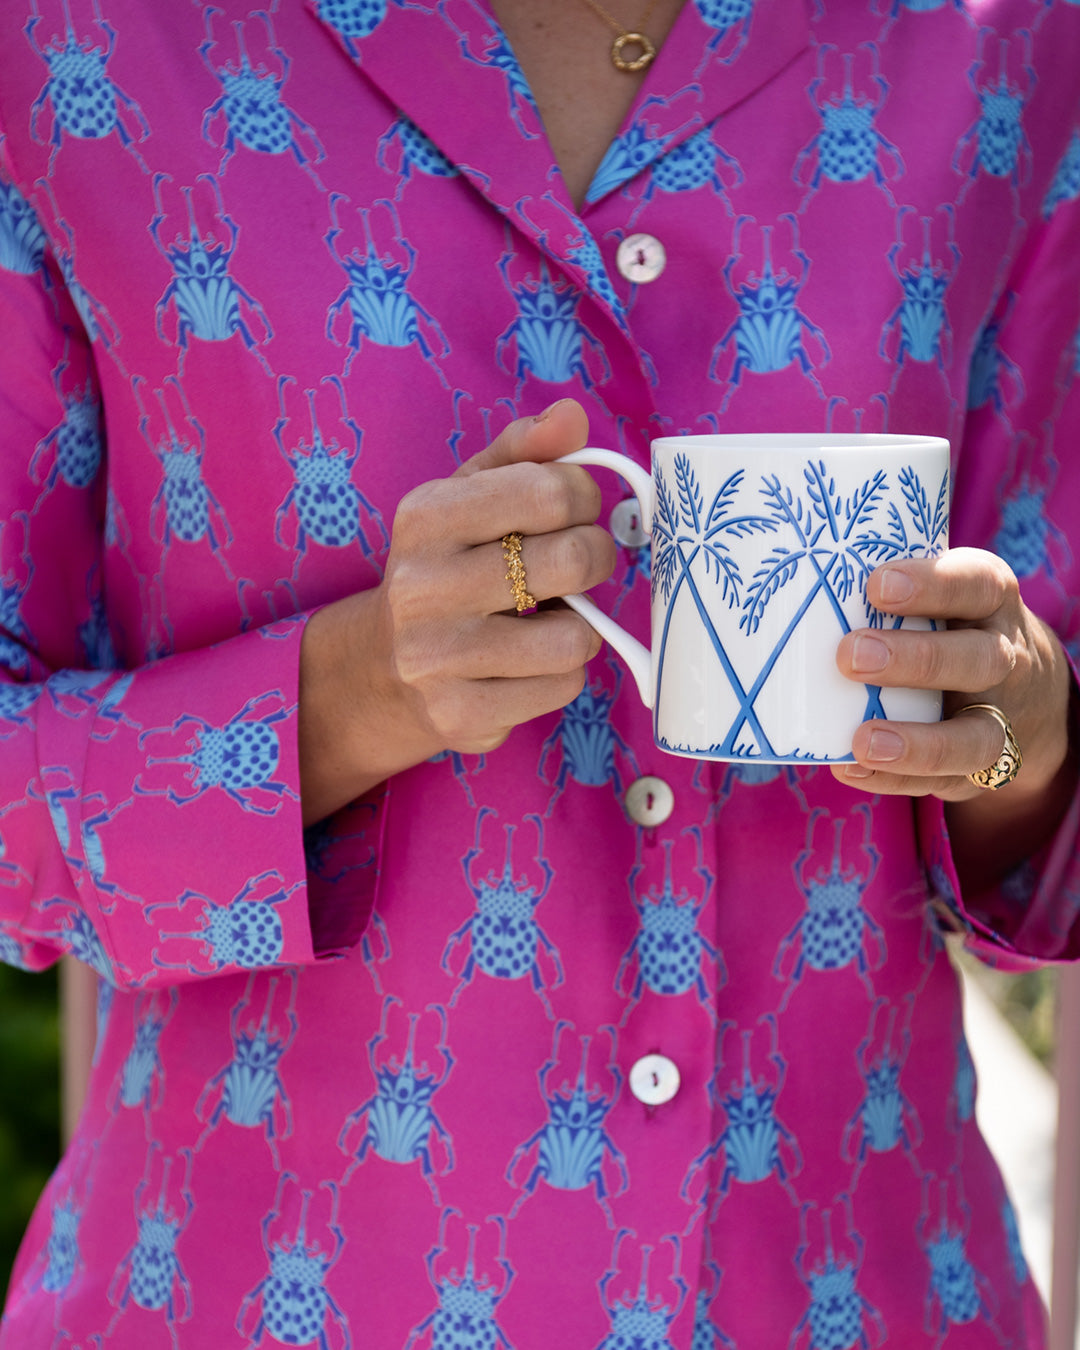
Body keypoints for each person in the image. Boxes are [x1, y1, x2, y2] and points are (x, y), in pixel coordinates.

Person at [1, 0, 1078, 1344]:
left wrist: (1023, 745)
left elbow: (1053, 751)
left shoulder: (1008, 40)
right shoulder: (80, 40)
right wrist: (348, 696)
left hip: (858, 1294)